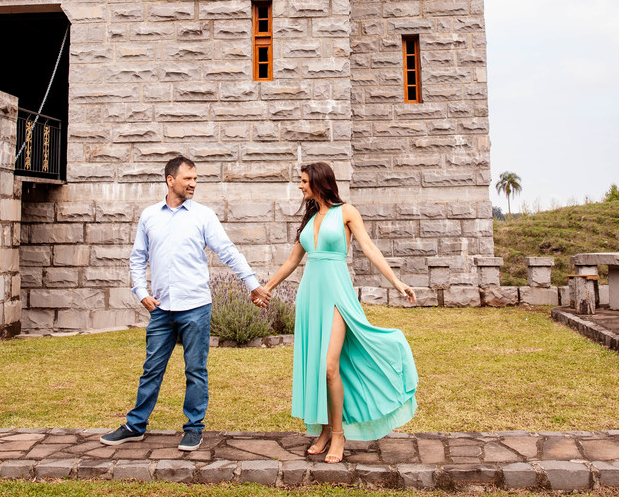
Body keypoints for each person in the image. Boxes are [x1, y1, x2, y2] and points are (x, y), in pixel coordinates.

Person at [100, 155, 269, 452]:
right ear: (170, 180)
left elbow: (227, 251)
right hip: (161, 310)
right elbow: (138, 258)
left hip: (195, 308)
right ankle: (135, 426)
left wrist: (252, 284)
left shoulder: (203, 216)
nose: (193, 184)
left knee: (195, 370)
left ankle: (193, 429)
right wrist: (141, 291)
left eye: (195, 179)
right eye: (188, 179)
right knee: (152, 368)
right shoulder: (149, 216)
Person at [259, 162, 418, 464]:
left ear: (319, 182)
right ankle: (322, 431)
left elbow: (369, 248)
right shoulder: (308, 220)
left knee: (331, 366)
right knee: (318, 367)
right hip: (310, 298)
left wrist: (397, 282)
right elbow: (292, 261)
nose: (300, 186)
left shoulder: (346, 212)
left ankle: (338, 435)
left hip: (336, 296)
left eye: (303, 181)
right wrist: (267, 287)